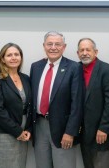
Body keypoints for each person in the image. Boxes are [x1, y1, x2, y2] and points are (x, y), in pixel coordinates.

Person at [29, 31, 83, 168]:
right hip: (39, 126)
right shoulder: (35, 67)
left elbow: (77, 103)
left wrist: (70, 132)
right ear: (44, 46)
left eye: (57, 44)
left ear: (64, 47)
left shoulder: (74, 68)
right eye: (50, 44)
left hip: (63, 128)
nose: (53, 47)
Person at [0, 42, 33, 168]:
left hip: (23, 131)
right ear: (3, 59)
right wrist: (17, 131)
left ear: (21, 57)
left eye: (16, 54)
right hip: (3, 134)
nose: (13, 57)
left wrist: (28, 129)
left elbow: (30, 106)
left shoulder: (25, 78)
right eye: (9, 55)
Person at [77, 38, 109, 168]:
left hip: (102, 133)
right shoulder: (75, 69)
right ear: (77, 53)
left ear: (96, 52)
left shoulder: (106, 70)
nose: (85, 53)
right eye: (81, 50)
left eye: (88, 50)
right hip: (83, 133)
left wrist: (104, 128)